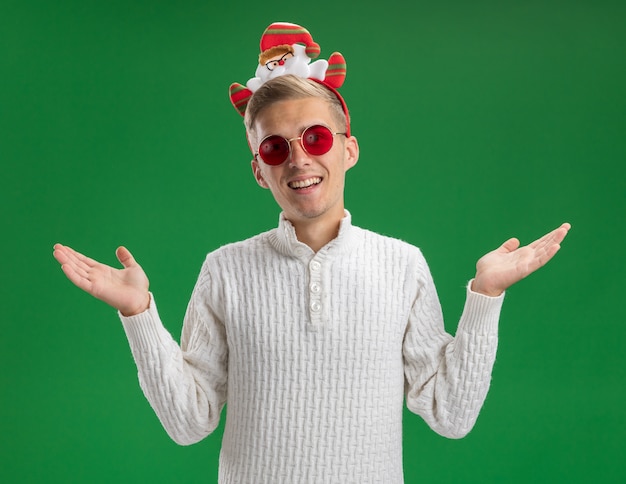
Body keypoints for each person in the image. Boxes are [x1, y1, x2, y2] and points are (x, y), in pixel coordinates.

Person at [52, 22, 570, 484]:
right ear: (260, 169)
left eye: (315, 137)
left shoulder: (402, 265)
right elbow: (189, 424)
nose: (298, 158)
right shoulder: (225, 270)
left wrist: (486, 295)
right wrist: (138, 314)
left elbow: (451, 416)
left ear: (347, 149)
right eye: (275, 147)